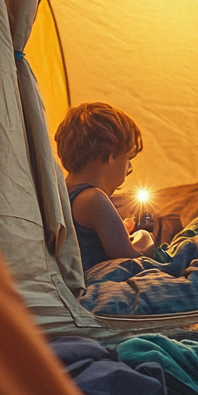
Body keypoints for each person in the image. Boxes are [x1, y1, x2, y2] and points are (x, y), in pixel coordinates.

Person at [56, 102, 156, 272]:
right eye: (128, 160)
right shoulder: (93, 198)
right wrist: (144, 239)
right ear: (112, 155)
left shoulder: (61, 192)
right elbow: (129, 258)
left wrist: (121, 230)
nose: (128, 170)